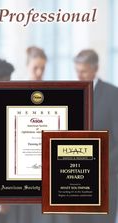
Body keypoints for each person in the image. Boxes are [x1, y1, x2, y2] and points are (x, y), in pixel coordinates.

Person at [72, 49, 118, 223]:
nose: (79, 76)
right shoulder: (73, 94)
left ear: (95, 68)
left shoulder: (113, 95)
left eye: (83, 71)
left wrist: (100, 166)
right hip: (75, 183)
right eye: (77, 71)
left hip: (104, 182)